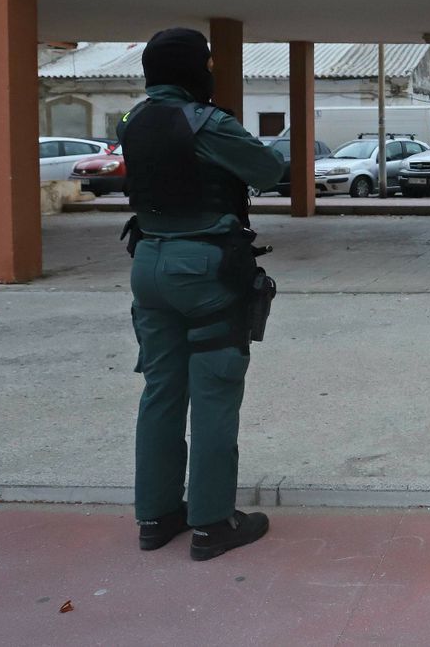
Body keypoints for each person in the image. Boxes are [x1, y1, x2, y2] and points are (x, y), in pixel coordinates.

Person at [120, 28, 284, 561]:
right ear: (195, 69)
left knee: (161, 391)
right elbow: (268, 170)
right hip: (204, 269)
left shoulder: (133, 121)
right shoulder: (207, 122)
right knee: (213, 391)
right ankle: (213, 522)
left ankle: (156, 515)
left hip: (147, 263)